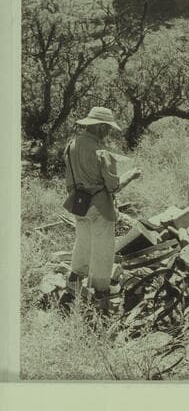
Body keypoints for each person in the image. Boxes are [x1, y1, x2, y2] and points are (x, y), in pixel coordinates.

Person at [63, 106, 141, 314]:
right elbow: (114, 186)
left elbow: (69, 181)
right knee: (104, 251)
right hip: (100, 205)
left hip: (78, 203)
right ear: (98, 127)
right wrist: (132, 174)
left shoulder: (71, 145)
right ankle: (101, 298)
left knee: (83, 243)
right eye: (106, 128)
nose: (108, 132)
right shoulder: (101, 152)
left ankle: (72, 287)